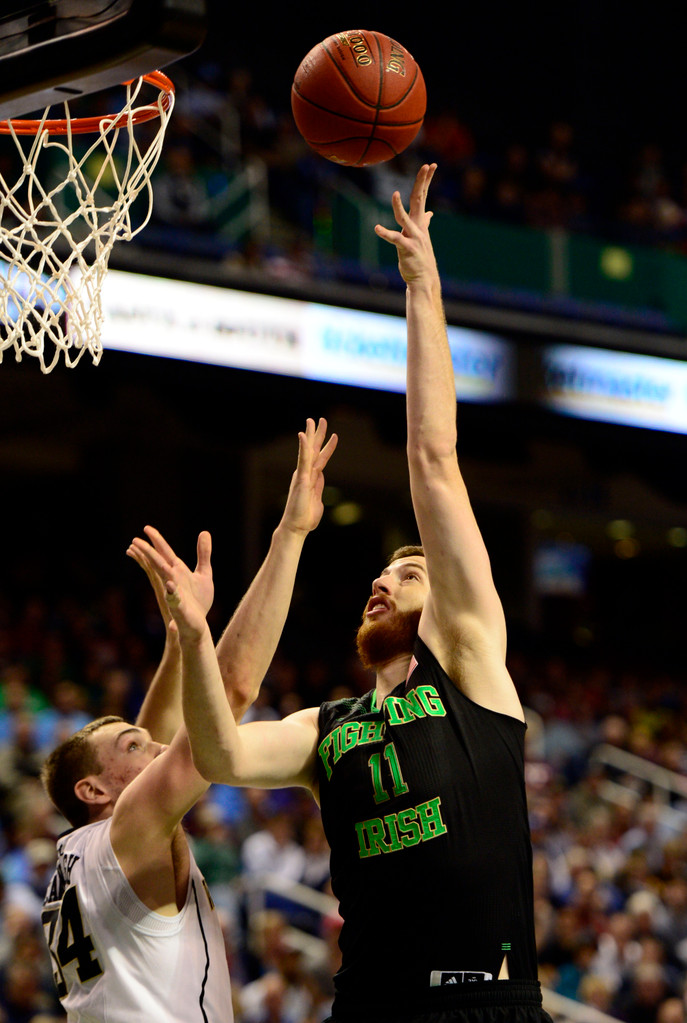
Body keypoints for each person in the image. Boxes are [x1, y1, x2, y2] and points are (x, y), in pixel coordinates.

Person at [134, 164, 552, 1023]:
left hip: (488, 1005)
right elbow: (218, 757)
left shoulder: (469, 664)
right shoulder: (325, 730)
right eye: (381, 569)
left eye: (407, 570)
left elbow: (434, 459)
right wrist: (194, 634)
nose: (381, 577)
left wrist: (422, 287)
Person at [38, 417, 337, 1022]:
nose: (155, 746)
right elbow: (228, 693)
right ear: (94, 789)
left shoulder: (83, 851)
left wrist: (177, 644)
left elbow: (155, 737)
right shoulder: (127, 831)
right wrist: (291, 532)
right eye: (132, 744)